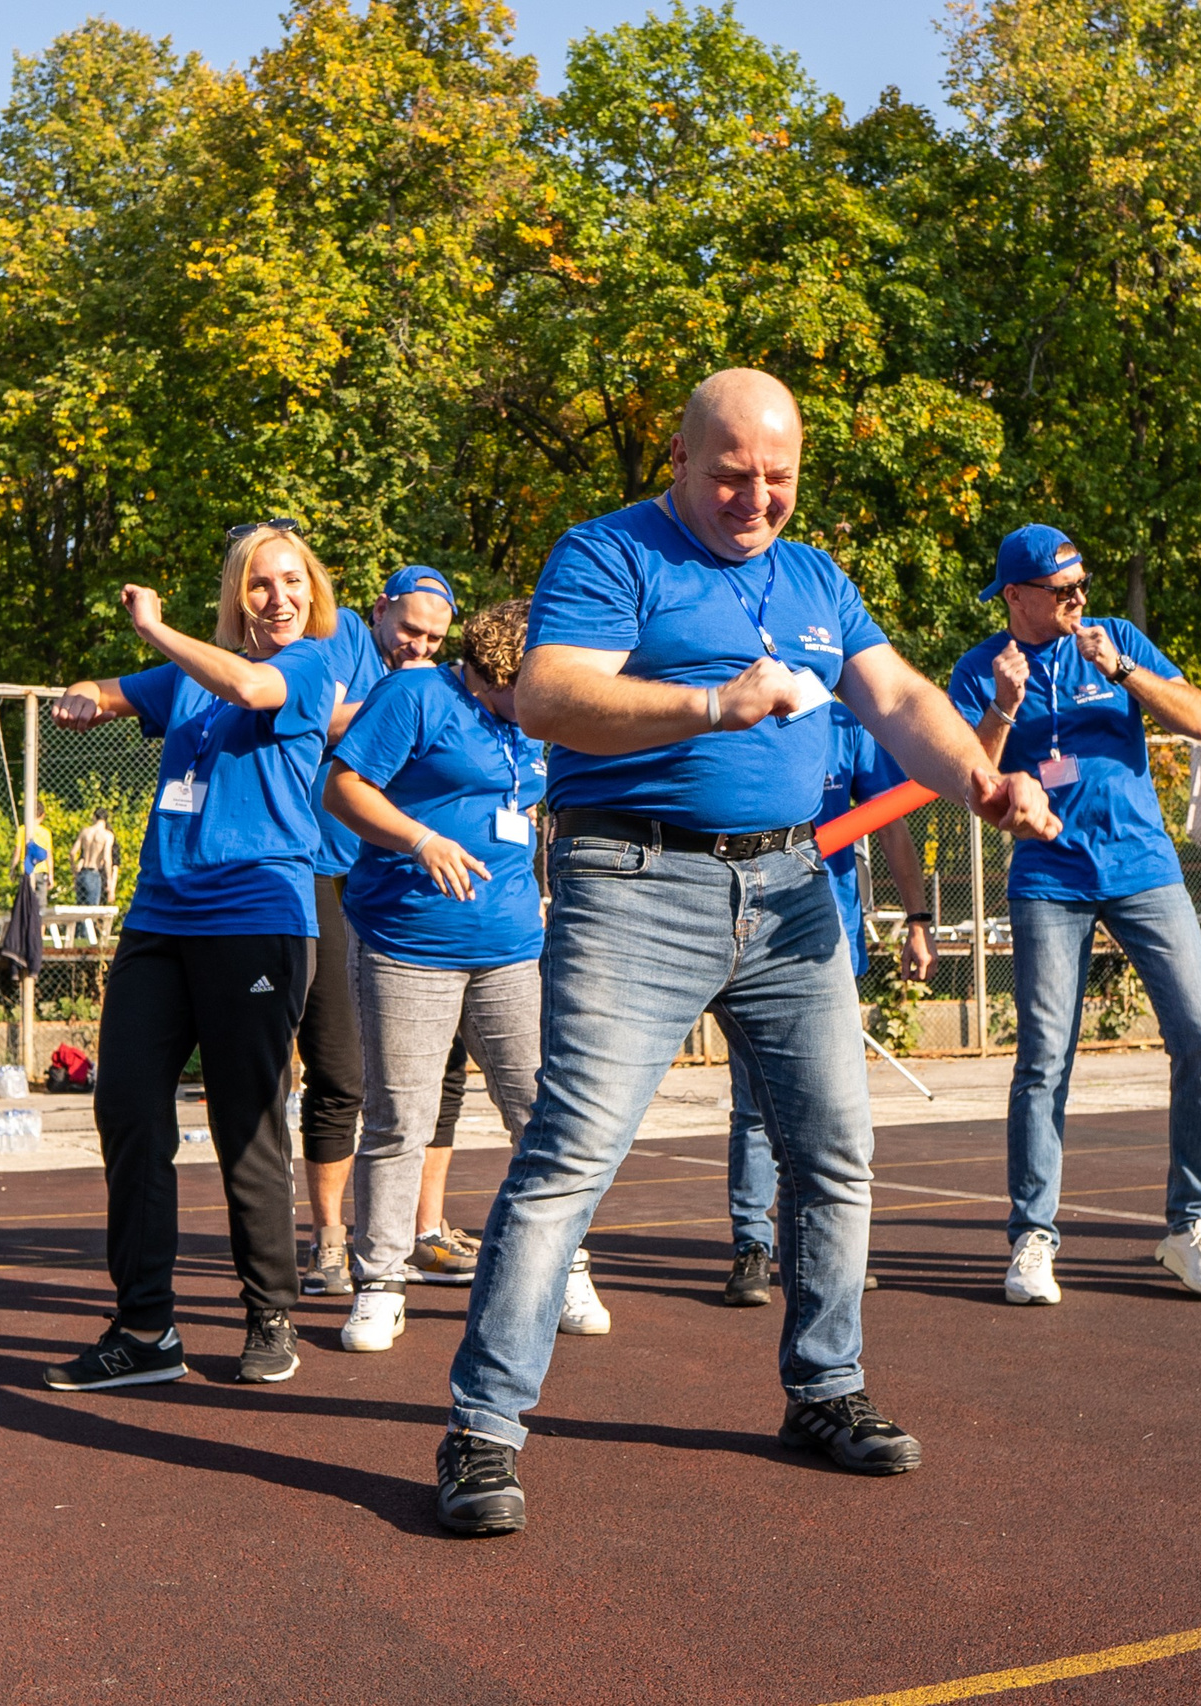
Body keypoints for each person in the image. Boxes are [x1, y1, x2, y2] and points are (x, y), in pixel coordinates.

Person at [432, 368, 1058, 1538]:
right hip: (634, 880)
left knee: (833, 1151)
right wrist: (714, 705)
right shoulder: (610, 554)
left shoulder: (814, 575)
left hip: (790, 891)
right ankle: (482, 1427)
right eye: (729, 474)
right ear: (676, 458)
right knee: (571, 1152)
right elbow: (551, 695)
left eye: (778, 477)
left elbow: (896, 694)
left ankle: (823, 1389)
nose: (754, 498)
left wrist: (981, 780)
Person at [39, 523, 342, 1390]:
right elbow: (113, 691)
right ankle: (144, 1329)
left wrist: (154, 629)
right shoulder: (184, 682)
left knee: (244, 1118)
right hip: (161, 920)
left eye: (291, 582)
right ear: (236, 596)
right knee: (128, 1107)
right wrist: (84, 695)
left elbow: (248, 685)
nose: (277, 597)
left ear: (311, 593)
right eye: (258, 584)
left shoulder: (311, 664)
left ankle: (268, 1311)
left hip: (257, 918)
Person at [948, 525, 1201, 1307]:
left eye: (1082, 585)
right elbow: (972, 778)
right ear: (1016, 596)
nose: (1079, 600)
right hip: (1048, 876)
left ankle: (1190, 1227)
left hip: (1142, 866)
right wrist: (1005, 709)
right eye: (1062, 590)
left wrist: (1125, 668)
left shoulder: (1118, 639)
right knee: (1044, 1056)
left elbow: (1200, 720)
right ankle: (1033, 1237)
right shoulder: (981, 668)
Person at [324, 597, 562, 1353]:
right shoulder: (418, 694)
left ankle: (562, 1269)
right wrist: (421, 839)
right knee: (400, 1118)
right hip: (408, 942)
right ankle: (380, 1284)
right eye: (526, 692)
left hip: (513, 947)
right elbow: (343, 788)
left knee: (542, 1113)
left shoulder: (541, 717)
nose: (539, 709)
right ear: (491, 672)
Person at [295, 565, 476, 1297]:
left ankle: (424, 1232)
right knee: (338, 1069)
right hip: (316, 868)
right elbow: (309, 712)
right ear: (380, 611)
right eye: (409, 631)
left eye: (435, 640)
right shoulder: (336, 637)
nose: (419, 648)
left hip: (405, 883)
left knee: (445, 1068)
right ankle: (330, 1240)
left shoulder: (438, 682)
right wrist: (395, 704)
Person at [721, 704, 935, 1306]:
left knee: (833, 1103)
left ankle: (819, 1247)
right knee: (754, 1104)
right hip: (747, 930)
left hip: (826, 938)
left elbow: (892, 822)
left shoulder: (849, 726)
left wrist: (917, 920)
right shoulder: (744, 711)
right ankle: (751, 1244)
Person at [70, 808, 115, 907]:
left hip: (82, 872)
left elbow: (73, 852)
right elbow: (107, 858)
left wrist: (74, 871)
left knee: (80, 910)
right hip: (94, 872)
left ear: (94, 817)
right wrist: (109, 879)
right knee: (92, 910)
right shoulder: (107, 835)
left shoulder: (85, 831)